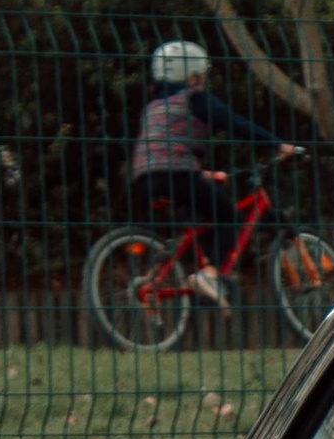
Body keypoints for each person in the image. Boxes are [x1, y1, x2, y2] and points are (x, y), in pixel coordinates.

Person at [129, 39, 300, 305]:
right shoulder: (194, 99)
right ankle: (210, 274)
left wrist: (204, 173)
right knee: (229, 215)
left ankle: (203, 276)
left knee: (206, 216)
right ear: (193, 75)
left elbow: (163, 148)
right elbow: (234, 124)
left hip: (144, 180)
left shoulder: (151, 108)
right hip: (178, 175)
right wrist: (278, 145)